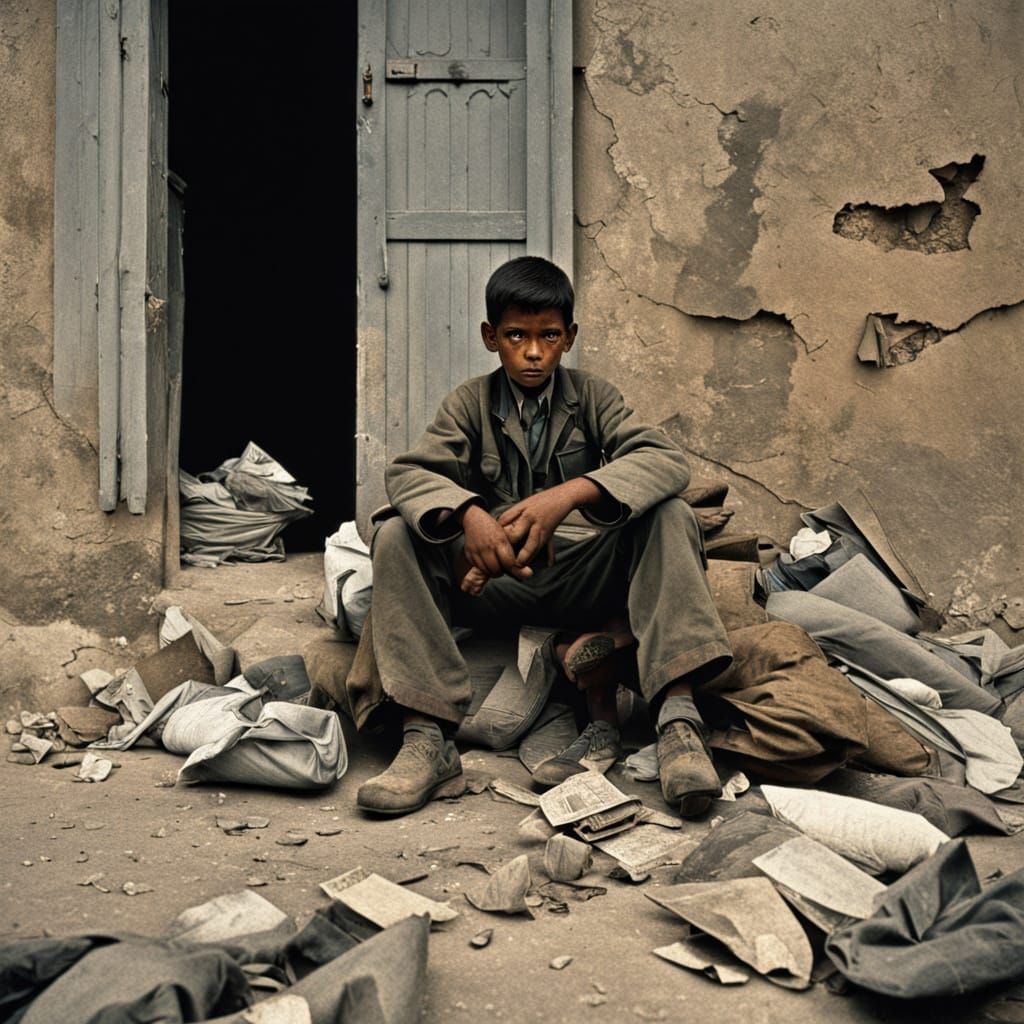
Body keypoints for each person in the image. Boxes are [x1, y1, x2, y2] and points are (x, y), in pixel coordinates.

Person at [355, 256, 732, 818]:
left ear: (569, 337)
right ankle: (426, 739)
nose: (533, 352)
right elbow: (410, 474)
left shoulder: (594, 397)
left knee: (672, 514)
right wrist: (471, 515)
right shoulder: (468, 404)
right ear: (491, 337)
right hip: (493, 583)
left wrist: (570, 494)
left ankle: (679, 725)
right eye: (516, 336)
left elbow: (664, 461)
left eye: (548, 336)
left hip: (580, 577)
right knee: (393, 533)